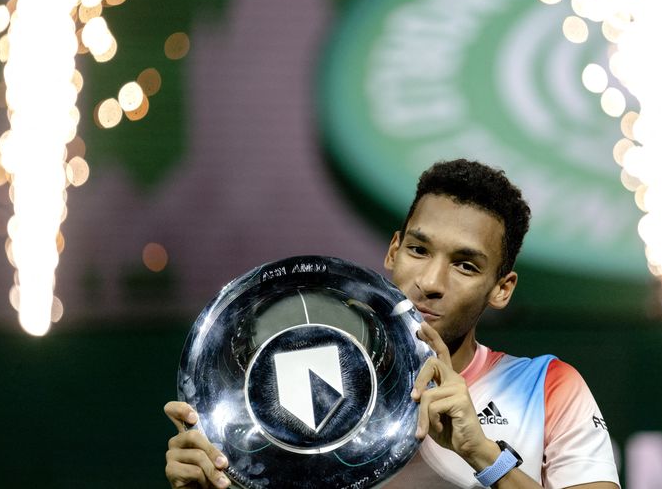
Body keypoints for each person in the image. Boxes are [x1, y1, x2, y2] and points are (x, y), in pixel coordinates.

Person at [164, 159, 621, 488]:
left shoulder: (547, 387)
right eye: (419, 251)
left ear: (502, 288)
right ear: (393, 250)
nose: (429, 281)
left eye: (465, 265)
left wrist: (480, 452)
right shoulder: (290, 397)